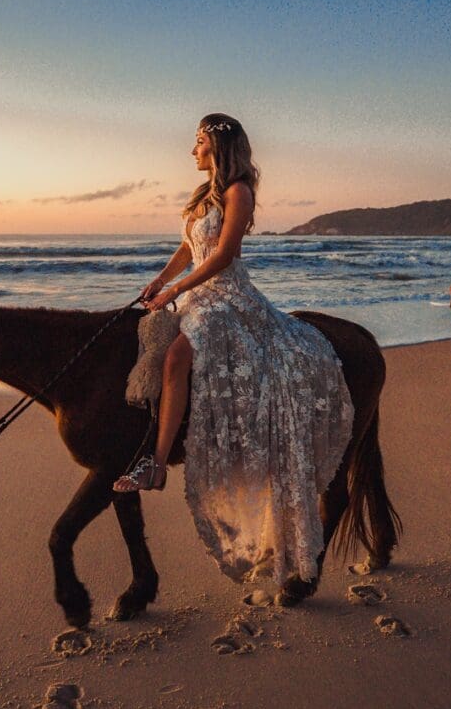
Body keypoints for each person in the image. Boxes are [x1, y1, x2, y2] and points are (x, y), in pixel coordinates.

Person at [113, 114, 355, 588]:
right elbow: (190, 248)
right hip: (196, 290)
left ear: (219, 149)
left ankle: (156, 465)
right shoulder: (203, 195)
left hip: (228, 298)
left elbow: (222, 256)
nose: (192, 150)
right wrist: (161, 280)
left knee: (179, 356)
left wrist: (177, 290)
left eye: (199, 142)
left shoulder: (237, 192)